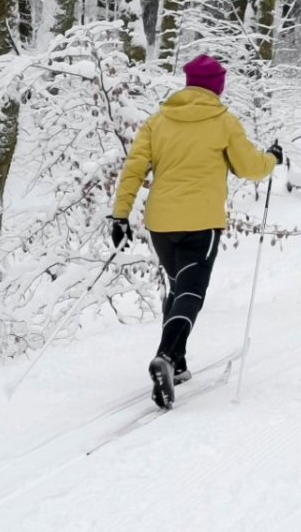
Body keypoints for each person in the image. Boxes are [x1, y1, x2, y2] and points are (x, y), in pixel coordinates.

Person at [110, 54, 282, 409]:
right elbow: (250, 168)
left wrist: (120, 216)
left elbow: (133, 169)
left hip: (161, 224)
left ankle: (180, 361)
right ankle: (167, 358)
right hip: (202, 224)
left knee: (178, 287)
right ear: (217, 86)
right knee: (192, 291)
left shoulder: (158, 122)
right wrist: (273, 158)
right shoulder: (223, 122)